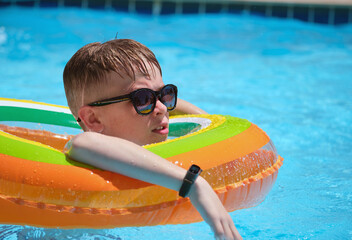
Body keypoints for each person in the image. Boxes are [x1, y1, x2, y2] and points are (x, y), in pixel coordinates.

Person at [63, 39, 242, 240]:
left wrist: (155, 97)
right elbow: (83, 143)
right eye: (142, 99)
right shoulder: (84, 153)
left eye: (165, 95)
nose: (163, 108)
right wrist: (193, 184)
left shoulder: (161, 120)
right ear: (93, 119)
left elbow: (210, 128)